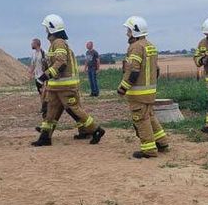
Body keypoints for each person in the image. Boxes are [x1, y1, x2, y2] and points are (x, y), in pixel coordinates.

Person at [31, 14, 105, 147]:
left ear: (51, 29)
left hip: (64, 86)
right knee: (51, 111)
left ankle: (96, 130)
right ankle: (45, 137)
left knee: (74, 109)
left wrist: (44, 76)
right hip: (57, 86)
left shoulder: (58, 43)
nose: (46, 31)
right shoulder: (56, 43)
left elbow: (61, 63)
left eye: (47, 28)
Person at [117, 16, 169, 158]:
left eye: (128, 30)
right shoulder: (150, 46)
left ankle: (149, 149)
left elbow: (133, 71)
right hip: (150, 91)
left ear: (134, 31)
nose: (127, 33)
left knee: (141, 119)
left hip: (138, 93)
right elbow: (156, 70)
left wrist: (123, 88)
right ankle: (162, 143)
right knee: (150, 117)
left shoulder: (135, 47)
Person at [29, 38, 47, 122]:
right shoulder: (33, 53)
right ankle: (43, 106)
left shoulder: (44, 53)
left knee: (44, 92)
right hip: (37, 76)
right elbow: (32, 64)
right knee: (40, 93)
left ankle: (46, 107)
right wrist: (30, 73)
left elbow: (47, 64)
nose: (31, 45)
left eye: (32, 43)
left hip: (43, 75)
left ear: (36, 44)